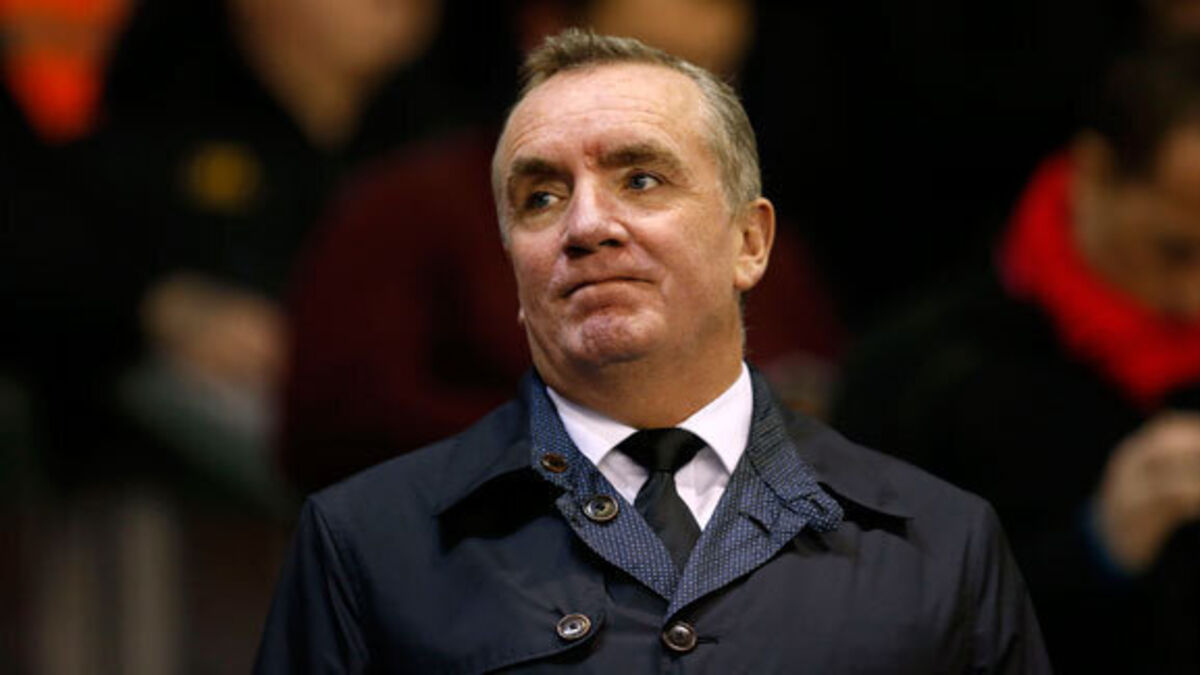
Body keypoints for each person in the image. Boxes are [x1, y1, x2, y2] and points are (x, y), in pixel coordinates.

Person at [255, 30, 1049, 672]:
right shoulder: (364, 546)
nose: (585, 225)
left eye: (640, 180)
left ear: (750, 242)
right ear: (514, 268)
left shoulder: (940, 545)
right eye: (541, 197)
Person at [279, 0, 843, 494]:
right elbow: (335, 428)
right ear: (550, 35)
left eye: (709, 81)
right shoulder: (408, 209)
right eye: (643, 69)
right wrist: (610, 445)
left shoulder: (753, 235)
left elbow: (821, 408)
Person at [833, 40, 1200, 673]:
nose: (1196, 296)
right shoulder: (923, 370)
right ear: (1095, 174)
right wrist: (1095, 551)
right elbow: (862, 624)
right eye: (1176, 250)